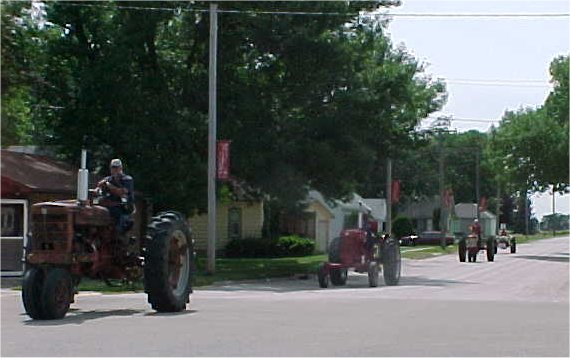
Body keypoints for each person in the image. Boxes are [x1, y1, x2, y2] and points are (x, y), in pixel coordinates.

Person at [97, 158, 134, 235]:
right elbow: (99, 188)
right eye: (113, 167)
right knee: (97, 204)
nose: (115, 170)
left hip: (123, 207)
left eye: (117, 167)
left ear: (121, 168)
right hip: (109, 205)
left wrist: (108, 185)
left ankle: (118, 233)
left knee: (117, 216)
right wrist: (98, 189)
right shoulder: (108, 179)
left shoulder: (127, 179)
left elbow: (121, 192)